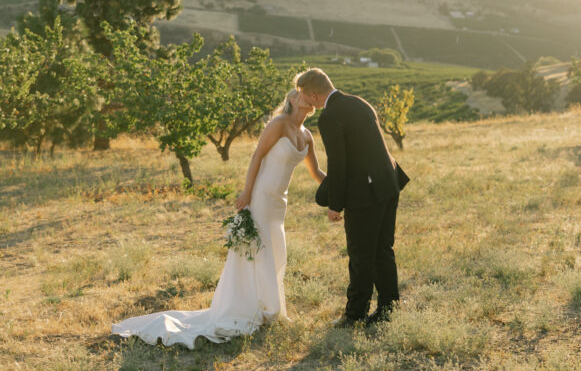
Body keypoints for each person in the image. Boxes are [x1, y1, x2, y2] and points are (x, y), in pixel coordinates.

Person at [111, 90, 325, 347]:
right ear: (292, 100)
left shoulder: (307, 135)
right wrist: (247, 192)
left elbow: (316, 172)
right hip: (261, 197)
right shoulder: (278, 124)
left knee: (276, 253)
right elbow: (257, 156)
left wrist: (341, 189)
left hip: (280, 203)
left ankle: (269, 307)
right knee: (261, 250)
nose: (309, 97)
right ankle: (259, 309)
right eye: (303, 93)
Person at [296, 67, 406, 328]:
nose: (304, 100)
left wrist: (335, 205)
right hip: (389, 184)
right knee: (383, 250)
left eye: (304, 95)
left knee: (360, 255)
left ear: (314, 95)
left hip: (365, 194)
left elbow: (338, 164)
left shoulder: (330, 116)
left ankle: (355, 314)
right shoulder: (359, 102)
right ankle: (388, 308)